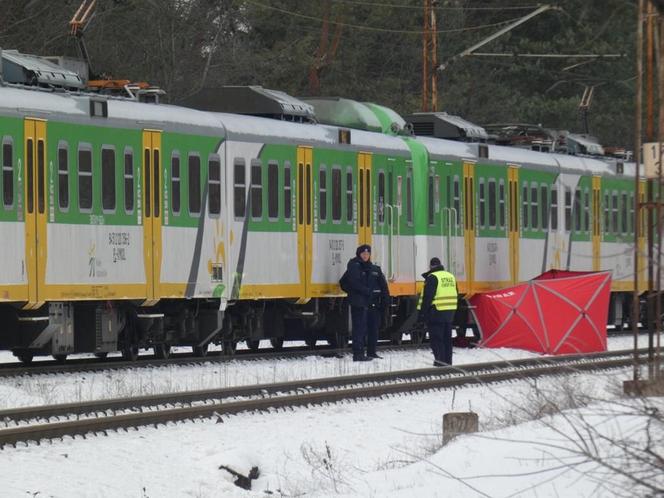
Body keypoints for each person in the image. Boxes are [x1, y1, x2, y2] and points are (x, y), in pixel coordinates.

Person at [344, 244, 390, 361]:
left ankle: (371, 352)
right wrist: (359, 293)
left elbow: (384, 286)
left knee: (373, 328)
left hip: (373, 303)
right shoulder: (354, 266)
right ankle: (358, 354)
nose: (365, 255)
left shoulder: (375, 269)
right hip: (359, 303)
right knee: (359, 329)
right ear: (359, 254)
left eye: (367, 254)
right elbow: (346, 283)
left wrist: (385, 301)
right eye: (363, 253)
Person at [417, 257, 458, 366]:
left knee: (436, 338)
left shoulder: (432, 277)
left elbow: (427, 298)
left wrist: (422, 314)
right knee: (447, 339)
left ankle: (439, 361)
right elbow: (456, 293)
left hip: (436, 312)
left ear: (430, 266)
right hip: (450, 312)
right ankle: (448, 361)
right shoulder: (450, 276)